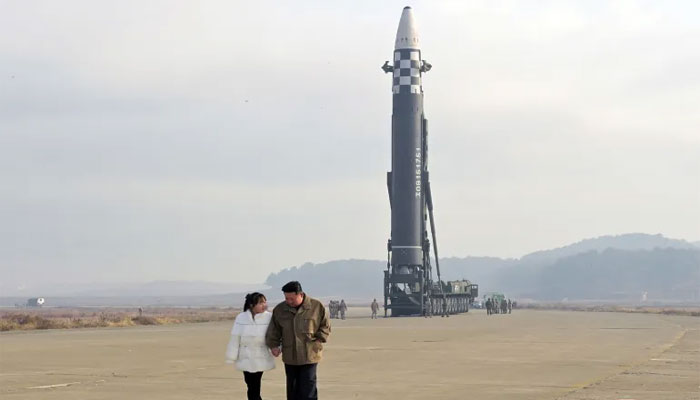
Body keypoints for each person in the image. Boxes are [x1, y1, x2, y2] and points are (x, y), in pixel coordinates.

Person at [266, 281, 331, 400]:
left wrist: (319, 338)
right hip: (290, 356)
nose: (288, 301)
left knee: (308, 389)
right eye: (286, 298)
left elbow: (325, 326)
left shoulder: (316, 306)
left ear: (300, 294)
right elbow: (273, 330)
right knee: (293, 389)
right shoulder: (280, 310)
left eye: (291, 298)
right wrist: (273, 345)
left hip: (310, 354)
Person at [225, 292, 275, 400]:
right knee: (249, 384)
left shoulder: (269, 317)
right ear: (252, 305)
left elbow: (274, 336)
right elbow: (235, 338)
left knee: (254, 386)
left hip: (260, 356)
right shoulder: (241, 318)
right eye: (261, 303)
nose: (264, 305)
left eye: (265, 302)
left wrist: (276, 348)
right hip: (245, 356)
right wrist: (231, 356)